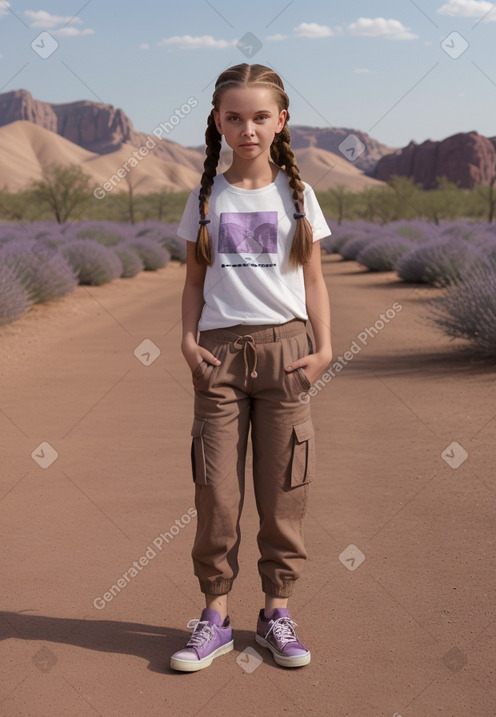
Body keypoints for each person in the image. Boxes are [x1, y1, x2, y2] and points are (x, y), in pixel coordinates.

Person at [170, 63, 332, 672]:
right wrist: (187, 341)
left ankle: (274, 614)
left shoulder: (299, 195)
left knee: (285, 486)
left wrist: (325, 346)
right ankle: (213, 618)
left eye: (260, 117)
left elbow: (313, 279)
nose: (247, 129)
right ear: (217, 121)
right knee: (216, 489)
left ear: (281, 121)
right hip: (219, 357)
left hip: (288, 354)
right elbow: (192, 281)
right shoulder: (205, 197)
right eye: (234, 117)